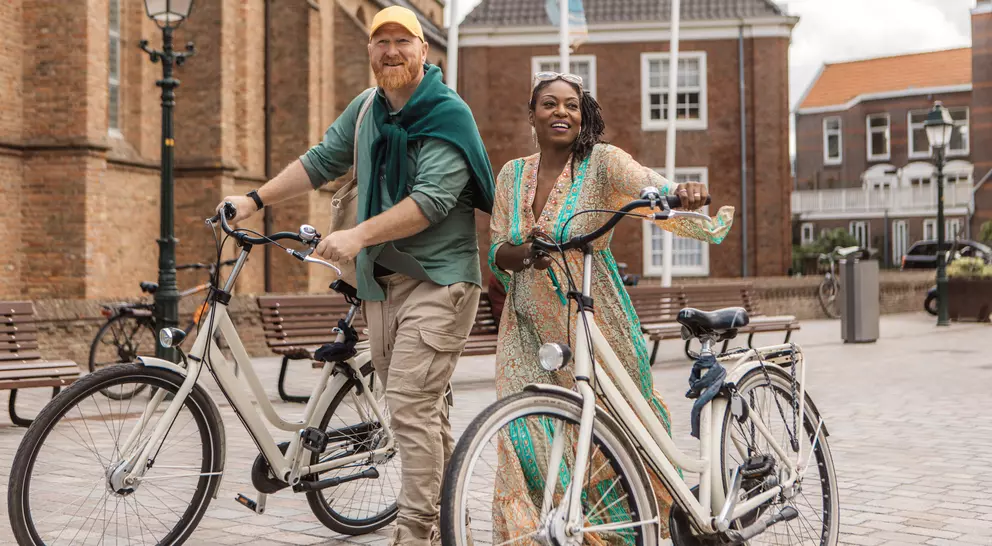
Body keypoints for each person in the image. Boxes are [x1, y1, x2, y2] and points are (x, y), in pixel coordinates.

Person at [215, 7, 495, 545]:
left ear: (424, 52)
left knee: (410, 409)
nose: (390, 51)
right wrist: (253, 199)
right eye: (380, 41)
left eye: (402, 41)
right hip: (382, 285)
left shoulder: (447, 114)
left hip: (440, 282)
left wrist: (357, 235)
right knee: (419, 411)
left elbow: (433, 201)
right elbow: (321, 160)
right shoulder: (368, 109)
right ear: (370, 50)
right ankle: (443, 516)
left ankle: (414, 534)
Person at [488, 72, 734, 540]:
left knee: (615, 426)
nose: (561, 112)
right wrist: (529, 254)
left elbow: (647, 185)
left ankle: (620, 530)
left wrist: (681, 190)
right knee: (523, 435)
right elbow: (498, 249)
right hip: (524, 327)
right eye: (549, 104)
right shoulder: (511, 174)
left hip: (591, 313)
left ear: (583, 117)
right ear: (532, 116)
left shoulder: (602, 163)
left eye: (571, 106)